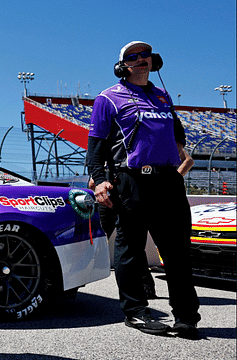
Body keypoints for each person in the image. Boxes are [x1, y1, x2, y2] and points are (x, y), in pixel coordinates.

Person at [87, 41, 201, 339]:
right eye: (132, 57)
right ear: (122, 66)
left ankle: (186, 316)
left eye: (145, 55)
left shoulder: (162, 95)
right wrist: (99, 180)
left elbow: (179, 138)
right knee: (129, 248)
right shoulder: (107, 98)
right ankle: (135, 312)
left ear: (154, 61)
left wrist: (174, 169)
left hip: (168, 181)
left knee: (177, 251)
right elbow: (95, 146)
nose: (140, 60)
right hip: (131, 181)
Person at [88, 149, 193, 300]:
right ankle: (133, 293)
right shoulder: (102, 141)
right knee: (114, 241)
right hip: (108, 195)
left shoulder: (139, 136)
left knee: (134, 243)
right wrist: (98, 180)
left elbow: (188, 159)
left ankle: (145, 288)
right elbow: (95, 169)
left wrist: (173, 179)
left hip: (133, 192)